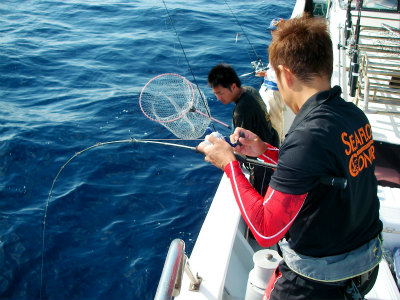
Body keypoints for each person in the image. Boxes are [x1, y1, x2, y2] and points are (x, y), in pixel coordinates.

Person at [199, 16, 382, 300]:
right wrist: (264, 150)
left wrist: (229, 164)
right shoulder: (353, 116)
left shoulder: (308, 136)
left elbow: (265, 230)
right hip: (364, 268)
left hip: (319, 283)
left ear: (285, 75)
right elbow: (318, 171)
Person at [207, 63, 279, 196]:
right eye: (215, 94)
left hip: (263, 163)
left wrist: (219, 147)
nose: (218, 98)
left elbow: (239, 149)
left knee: (262, 193)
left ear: (233, 87)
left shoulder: (241, 111)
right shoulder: (250, 90)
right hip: (273, 142)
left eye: (220, 93)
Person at [256, 17, 286, 143]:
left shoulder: (282, 48)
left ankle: (278, 147)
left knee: (275, 122)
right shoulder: (277, 46)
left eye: (276, 30)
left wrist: (265, 73)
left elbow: (283, 73)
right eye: (272, 30)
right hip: (270, 89)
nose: (273, 33)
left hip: (274, 91)